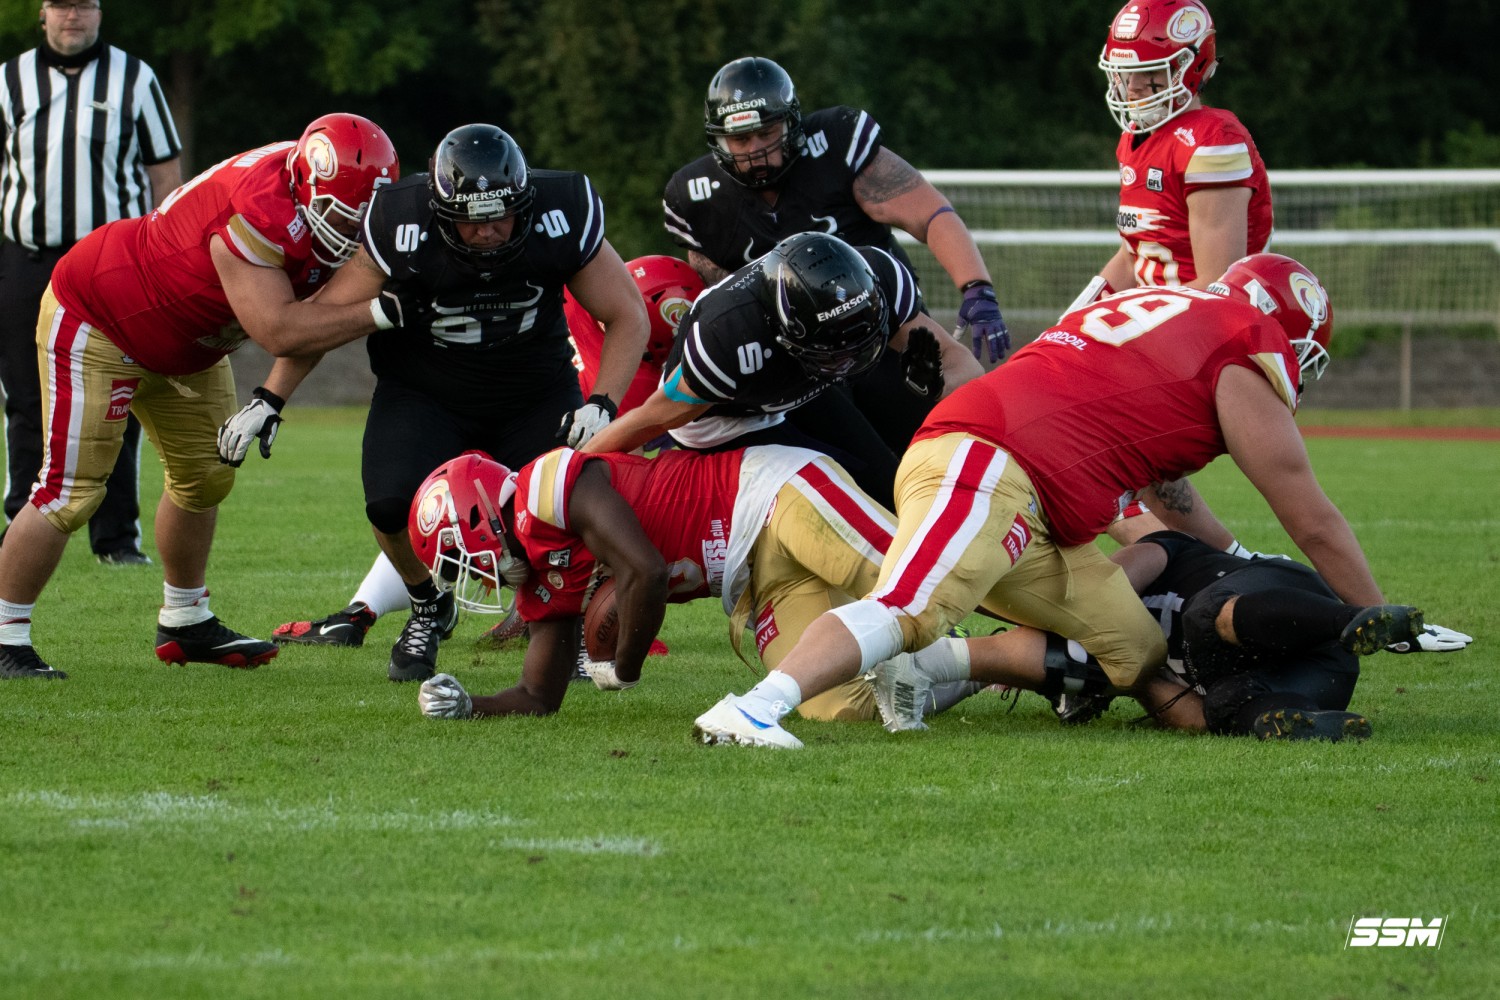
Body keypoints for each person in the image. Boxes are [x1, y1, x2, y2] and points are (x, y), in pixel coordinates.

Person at [687, 253, 1429, 748]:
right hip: (987, 462)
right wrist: (1380, 617)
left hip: (1027, 494)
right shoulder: (1243, 338)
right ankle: (753, 708)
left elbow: (1151, 478)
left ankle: (915, 675)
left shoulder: (1164, 312)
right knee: (911, 606)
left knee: (1133, 646)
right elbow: (1310, 516)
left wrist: (1229, 554)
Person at [0, 113, 399, 680]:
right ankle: (5, 634)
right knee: (70, 493)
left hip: (191, 341)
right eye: (340, 215)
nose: (351, 230)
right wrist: (382, 311)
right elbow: (282, 331)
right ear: (305, 186)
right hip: (102, 316)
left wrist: (270, 398)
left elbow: (320, 320)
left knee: (206, 477)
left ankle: (185, 619)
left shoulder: (322, 180)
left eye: (363, 216)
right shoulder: (258, 210)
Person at [253, 124, 649, 683]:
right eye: (470, 218)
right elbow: (325, 319)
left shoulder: (562, 209)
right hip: (424, 392)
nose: (487, 230)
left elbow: (627, 313)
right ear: (439, 211)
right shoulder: (400, 222)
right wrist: (269, 398)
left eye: (500, 216)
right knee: (388, 505)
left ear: (524, 202)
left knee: (567, 510)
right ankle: (426, 605)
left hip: (532, 389)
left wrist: (603, 402)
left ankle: (568, 625)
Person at [661, 56, 992, 487]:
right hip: (801, 364)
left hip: (883, 334)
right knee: (864, 478)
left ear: (791, 123)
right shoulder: (695, 197)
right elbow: (719, 303)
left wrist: (976, 285)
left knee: (937, 449)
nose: (755, 149)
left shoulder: (835, 144)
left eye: (766, 133)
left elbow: (929, 214)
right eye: (740, 139)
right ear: (719, 140)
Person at [408, 445, 912, 723]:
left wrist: (624, 666)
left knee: (918, 583)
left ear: (476, 516)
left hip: (768, 496)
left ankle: (954, 642)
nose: (474, 577)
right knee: (837, 707)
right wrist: (470, 706)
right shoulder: (542, 579)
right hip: (758, 578)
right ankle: (959, 665)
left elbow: (644, 570)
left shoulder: (545, 488)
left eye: (458, 561)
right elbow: (538, 696)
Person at [880, 531, 1472, 740]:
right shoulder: (1108, 660)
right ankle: (1300, 724)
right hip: (1313, 680)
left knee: (1205, 618)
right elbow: (1176, 706)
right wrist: (1132, 677)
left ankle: (1352, 619)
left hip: (1290, 609)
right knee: (1216, 710)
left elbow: (1110, 584)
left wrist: (1101, 638)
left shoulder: (1164, 554)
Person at [1072, 0, 1275, 553]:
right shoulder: (1137, 137)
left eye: (1149, 73)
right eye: (1126, 73)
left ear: (1192, 67)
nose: (1134, 86)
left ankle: (1226, 561)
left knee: (1095, 446)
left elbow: (1218, 287)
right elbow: (1135, 253)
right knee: (1082, 459)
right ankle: (1200, 562)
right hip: (1155, 321)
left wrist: (1129, 332)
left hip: (1198, 332)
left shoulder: (1212, 139)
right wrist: (1080, 312)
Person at [579, 232, 979, 509]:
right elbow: (651, 418)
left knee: (885, 484)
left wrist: (950, 401)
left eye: (856, 347)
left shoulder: (879, 278)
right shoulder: (729, 337)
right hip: (728, 418)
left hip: (798, 383)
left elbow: (960, 364)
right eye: (834, 353)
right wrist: (573, 466)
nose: (847, 366)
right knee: (832, 499)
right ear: (787, 331)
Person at [0, 0, 183, 565]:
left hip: (111, 266)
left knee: (116, 395)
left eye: (83, 4)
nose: (71, 15)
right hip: (27, 258)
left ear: (100, 12)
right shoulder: (9, 80)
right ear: (42, 12)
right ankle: (21, 525)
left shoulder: (136, 78)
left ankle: (116, 538)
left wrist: (163, 254)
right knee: (25, 397)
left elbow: (165, 173)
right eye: (61, 4)